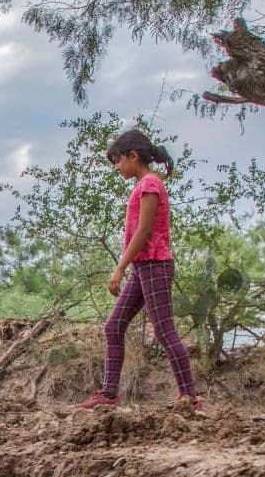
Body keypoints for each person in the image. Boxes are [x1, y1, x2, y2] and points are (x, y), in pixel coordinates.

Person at [75, 129, 202, 411]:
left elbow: (144, 231)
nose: (117, 167)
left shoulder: (150, 184)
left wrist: (119, 268)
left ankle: (190, 397)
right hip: (143, 267)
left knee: (165, 331)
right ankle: (108, 394)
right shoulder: (143, 185)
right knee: (114, 326)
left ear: (133, 156)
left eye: (118, 161)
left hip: (155, 265)